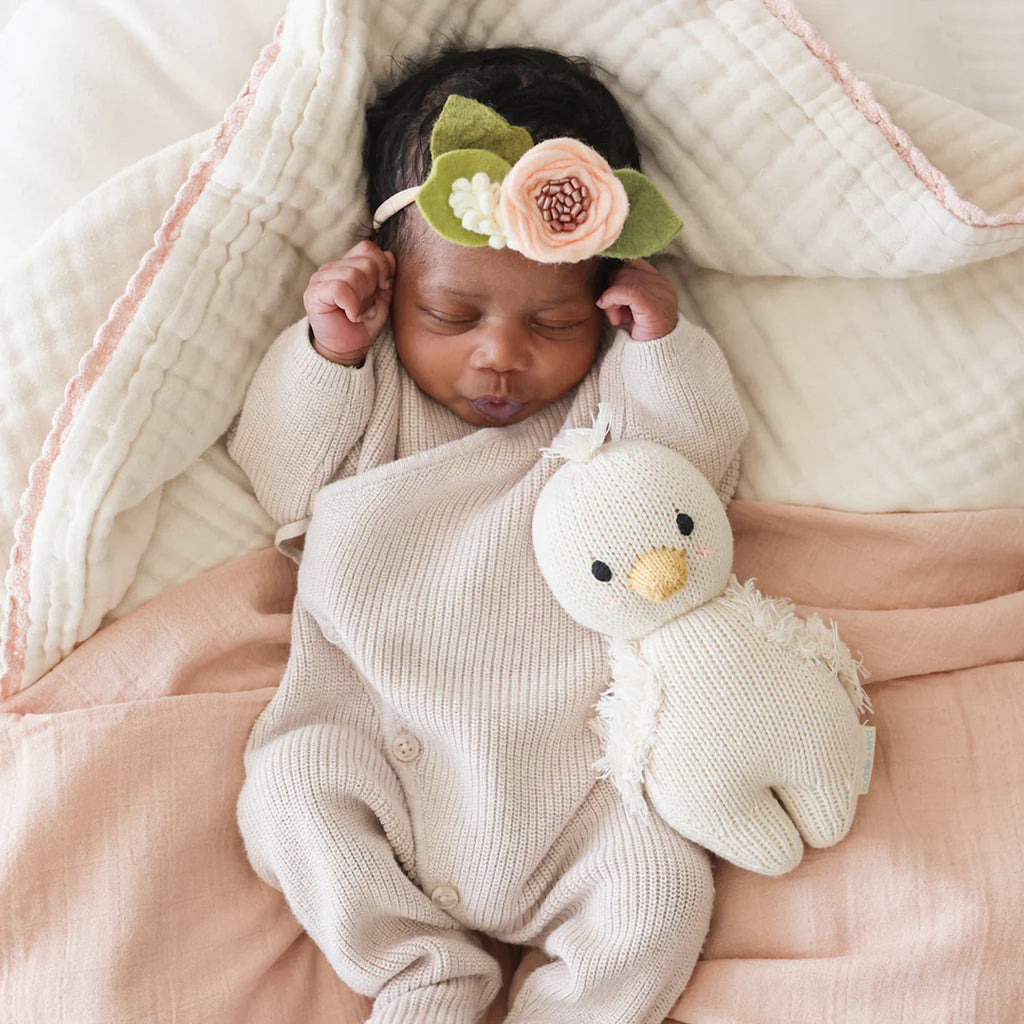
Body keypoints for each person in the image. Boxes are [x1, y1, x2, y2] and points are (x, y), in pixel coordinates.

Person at [229, 45, 748, 1024]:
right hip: (379, 748)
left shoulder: (606, 395)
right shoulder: (374, 388)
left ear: (599, 294)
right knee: (288, 790)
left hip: (580, 777)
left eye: (551, 320)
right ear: (389, 282)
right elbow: (277, 468)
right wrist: (325, 348)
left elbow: (696, 475)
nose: (500, 355)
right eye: (451, 313)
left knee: (658, 892)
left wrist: (661, 347)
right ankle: (422, 970)